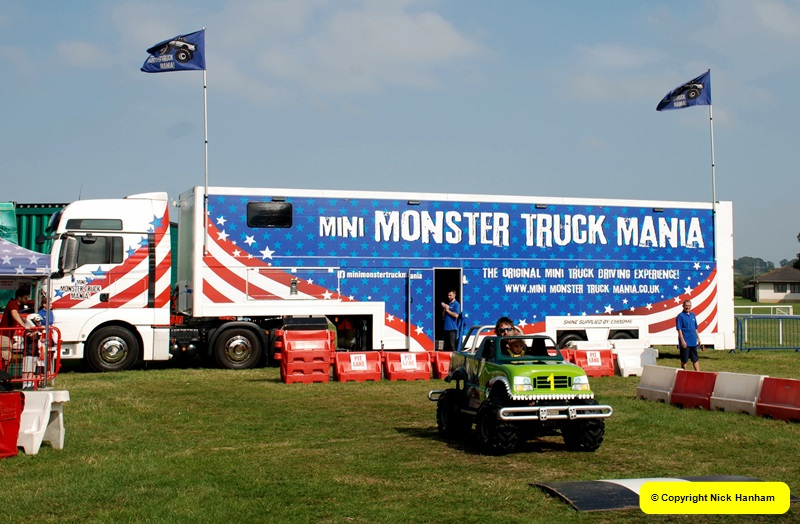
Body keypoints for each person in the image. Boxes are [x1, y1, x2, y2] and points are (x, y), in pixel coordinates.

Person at [1, 287, 31, 367]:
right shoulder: (13, 303)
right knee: (5, 358)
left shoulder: (15, 305)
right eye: (25, 298)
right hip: (4, 335)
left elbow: (17, 315)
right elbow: (14, 314)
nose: (27, 300)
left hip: (7, 336)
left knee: (6, 357)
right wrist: (24, 326)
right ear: (19, 298)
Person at [676, 299, 701, 371]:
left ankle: (698, 373)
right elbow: (679, 330)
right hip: (685, 341)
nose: (687, 307)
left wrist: (698, 338)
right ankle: (683, 372)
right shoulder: (680, 316)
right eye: (686, 306)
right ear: (683, 306)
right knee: (684, 360)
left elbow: (695, 328)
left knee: (695, 359)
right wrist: (682, 341)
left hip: (693, 341)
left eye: (689, 306)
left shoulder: (693, 315)